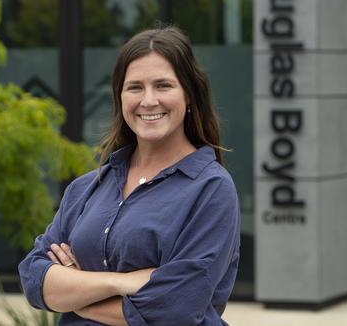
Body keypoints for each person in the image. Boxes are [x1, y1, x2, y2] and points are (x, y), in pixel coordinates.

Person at [18, 26, 240, 325]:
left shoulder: (211, 189)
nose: (148, 100)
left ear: (189, 95)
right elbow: (34, 278)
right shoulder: (87, 187)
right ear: (120, 97)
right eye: (135, 87)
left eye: (163, 85)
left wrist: (77, 296)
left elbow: (176, 307)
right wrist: (119, 283)